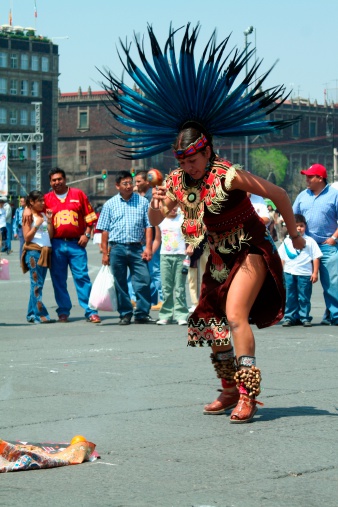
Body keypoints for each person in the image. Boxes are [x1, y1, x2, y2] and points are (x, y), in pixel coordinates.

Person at [101, 24, 304, 423]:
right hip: (217, 255)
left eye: (193, 159)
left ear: (206, 149)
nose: (187, 166)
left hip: (249, 248)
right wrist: (157, 205)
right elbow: (160, 218)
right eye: (181, 161)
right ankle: (228, 391)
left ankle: (247, 394)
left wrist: (294, 233)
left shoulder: (229, 174)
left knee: (234, 316)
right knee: (208, 323)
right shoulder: (176, 181)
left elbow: (278, 194)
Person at [97, 171, 156, 325]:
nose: (129, 186)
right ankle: (125, 313)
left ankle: (142, 313)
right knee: (120, 282)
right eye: (125, 183)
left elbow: (149, 226)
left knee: (144, 279)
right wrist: (105, 253)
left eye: (131, 182)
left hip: (137, 248)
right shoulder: (109, 204)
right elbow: (104, 231)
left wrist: (148, 248)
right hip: (117, 249)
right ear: (117, 186)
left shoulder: (142, 202)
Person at [44, 168, 100, 323]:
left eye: (59, 179)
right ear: (50, 182)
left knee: (82, 277)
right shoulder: (47, 199)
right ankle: (63, 311)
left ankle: (91, 310)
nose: (57, 182)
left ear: (65, 179)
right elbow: (40, 220)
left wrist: (87, 234)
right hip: (56, 245)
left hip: (77, 244)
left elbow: (90, 218)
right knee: (58, 279)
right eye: (54, 180)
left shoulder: (78, 195)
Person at [293, 164, 338, 325]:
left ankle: (335, 315)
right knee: (298, 281)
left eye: (310, 176)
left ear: (320, 178)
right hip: (304, 246)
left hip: (327, 245)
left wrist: (334, 237)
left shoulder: (334, 195)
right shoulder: (302, 196)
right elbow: (293, 216)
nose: (307, 179)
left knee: (332, 282)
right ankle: (297, 316)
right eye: (306, 176)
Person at [278, 214, 322, 327]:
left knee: (304, 297)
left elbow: (315, 257)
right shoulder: (287, 241)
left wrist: (315, 272)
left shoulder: (310, 241)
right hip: (289, 273)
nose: (299, 228)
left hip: (305, 274)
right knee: (290, 297)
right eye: (296, 226)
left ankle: (304, 317)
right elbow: (282, 258)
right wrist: (280, 272)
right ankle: (290, 317)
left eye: (301, 226)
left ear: (305, 226)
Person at [21, 190, 54, 324]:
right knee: (37, 284)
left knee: (38, 284)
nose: (42, 203)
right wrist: (36, 225)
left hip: (45, 252)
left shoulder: (43, 215)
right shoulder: (28, 216)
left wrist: (49, 221)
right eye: (39, 201)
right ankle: (40, 314)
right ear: (32, 202)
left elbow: (50, 235)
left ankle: (31, 314)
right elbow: (26, 237)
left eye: (43, 200)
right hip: (34, 252)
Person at [134, 170, 163, 310]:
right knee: (144, 270)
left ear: (147, 181)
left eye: (139, 181)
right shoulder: (139, 196)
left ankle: (163, 299)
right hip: (142, 238)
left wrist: (152, 244)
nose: (136, 184)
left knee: (155, 270)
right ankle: (150, 300)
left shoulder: (153, 195)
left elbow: (155, 220)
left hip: (153, 237)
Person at [156, 205, 189, 325]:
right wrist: (149, 251)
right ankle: (166, 314)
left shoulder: (182, 218)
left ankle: (181, 314)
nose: (173, 208)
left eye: (176, 206)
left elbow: (192, 234)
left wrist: (191, 247)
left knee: (180, 287)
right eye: (171, 206)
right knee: (166, 287)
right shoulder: (160, 221)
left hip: (181, 256)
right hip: (165, 256)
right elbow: (157, 239)